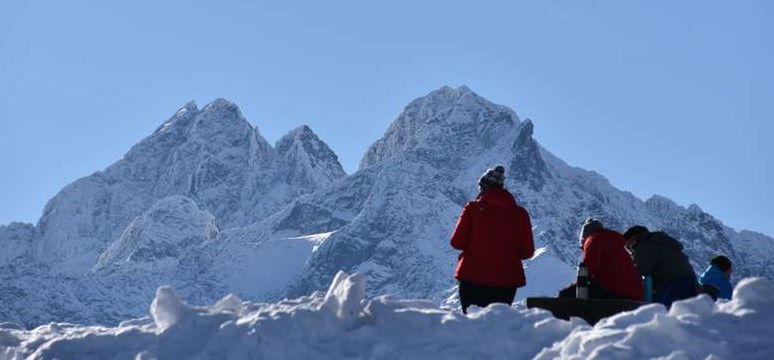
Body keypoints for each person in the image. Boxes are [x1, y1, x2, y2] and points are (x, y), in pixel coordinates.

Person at [450, 165, 535, 314]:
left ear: (483, 187)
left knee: (471, 325)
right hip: (506, 283)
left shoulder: (472, 209)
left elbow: (457, 242)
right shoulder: (521, 214)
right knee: (496, 327)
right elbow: (527, 252)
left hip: (471, 279)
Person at [558, 218, 644, 301]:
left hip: (618, 295)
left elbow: (587, 270)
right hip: (635, 295)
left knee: (566, 294)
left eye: (582, 247)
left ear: (584, 239)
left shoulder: (593, 240)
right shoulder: (615, 244)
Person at [623, 225, 698, 307]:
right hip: (690, 280)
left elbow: (639, 272)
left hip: (671, 284)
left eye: (628, 246)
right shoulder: (663, 241)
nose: (629, 250)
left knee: (668, 313)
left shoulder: (644, 247)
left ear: (634, 238)